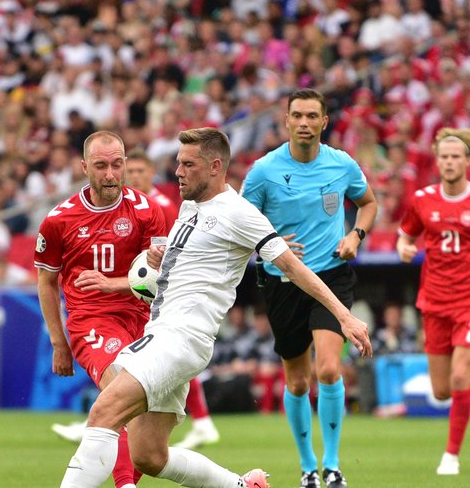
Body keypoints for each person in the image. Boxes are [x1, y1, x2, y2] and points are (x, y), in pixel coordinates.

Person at [59, 127, 373, 488]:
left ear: (215, 167)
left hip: (179, 338)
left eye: (188, 164)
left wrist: (344, 315)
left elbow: (291, 266)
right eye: (178, 163)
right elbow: (187, 269)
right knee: (149, 454)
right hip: (167, 334)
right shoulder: (190, 204)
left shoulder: (239, 212)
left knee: (103, 412)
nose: (177, 171)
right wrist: (160, 262)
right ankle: (240, 485)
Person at [241, 88, 379, 488]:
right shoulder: (264, 171)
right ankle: (307, 468)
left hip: (332, 275)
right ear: (286, 120)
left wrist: (356, 235)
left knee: (330, 369)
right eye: (296, 115)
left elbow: (367, 203)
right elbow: (241, 223)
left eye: (311, 116)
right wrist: (271, 241)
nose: (303, 123)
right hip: (282, 282)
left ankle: (333, 466)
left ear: (323, 122)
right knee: (298, 382)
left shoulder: (341, 164)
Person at [50, 149, 221, 450]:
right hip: (126, 303)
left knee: (164, 363)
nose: (136, 176)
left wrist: (113, 284)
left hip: (154, 302)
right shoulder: (119, 208)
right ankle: (192, 423)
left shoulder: (161, 208)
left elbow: (162, 265)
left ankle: (114, 420)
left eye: (140, 171)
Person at [36, 130, 167, 488]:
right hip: (91, 321)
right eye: (101, 166)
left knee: (151, 445)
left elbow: (161, 274)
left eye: (117, 165)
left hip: (142, 319)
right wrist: (58, 342)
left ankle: (233, 482)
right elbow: (46, 282)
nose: (110, 174)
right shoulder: (59, 220)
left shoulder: (146, 211)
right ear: (84, 167)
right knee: (118, 392)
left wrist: (116, 283)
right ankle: (124, 484)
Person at [396, 129, 470, 476]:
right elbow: (405, 235)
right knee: (442, 391)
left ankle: (450, 457)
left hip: (467, 303)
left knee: (459, 377)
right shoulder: (422, 199)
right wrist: (404, 249)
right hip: (435, 302)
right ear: (437, 161)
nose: (451, 161)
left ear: (467, 161)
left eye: (457, 156)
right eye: (445, 156)